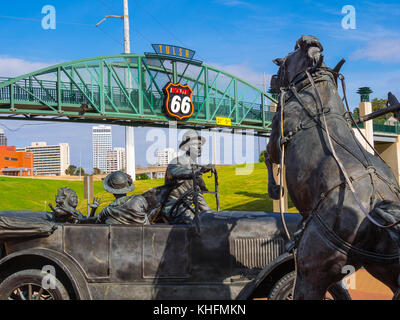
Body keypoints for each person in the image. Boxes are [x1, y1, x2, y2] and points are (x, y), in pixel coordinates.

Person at [162, 130, 214, 224]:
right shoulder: (178, 161)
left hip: (188, 206)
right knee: (193, 224)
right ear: (187, 147)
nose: (199, 147)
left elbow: (198, 196)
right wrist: (199, 171)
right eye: (195, 144)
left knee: (209, 222)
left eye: (200, 145)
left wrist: (211, 215)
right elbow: (176, 173)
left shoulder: (194, 166)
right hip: (174, 207)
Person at [74, 171, 149, 225]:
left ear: (112, 191)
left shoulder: (109, 210)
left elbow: (93, 222)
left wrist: (89, 213)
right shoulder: (140, 200)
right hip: (144, 239)